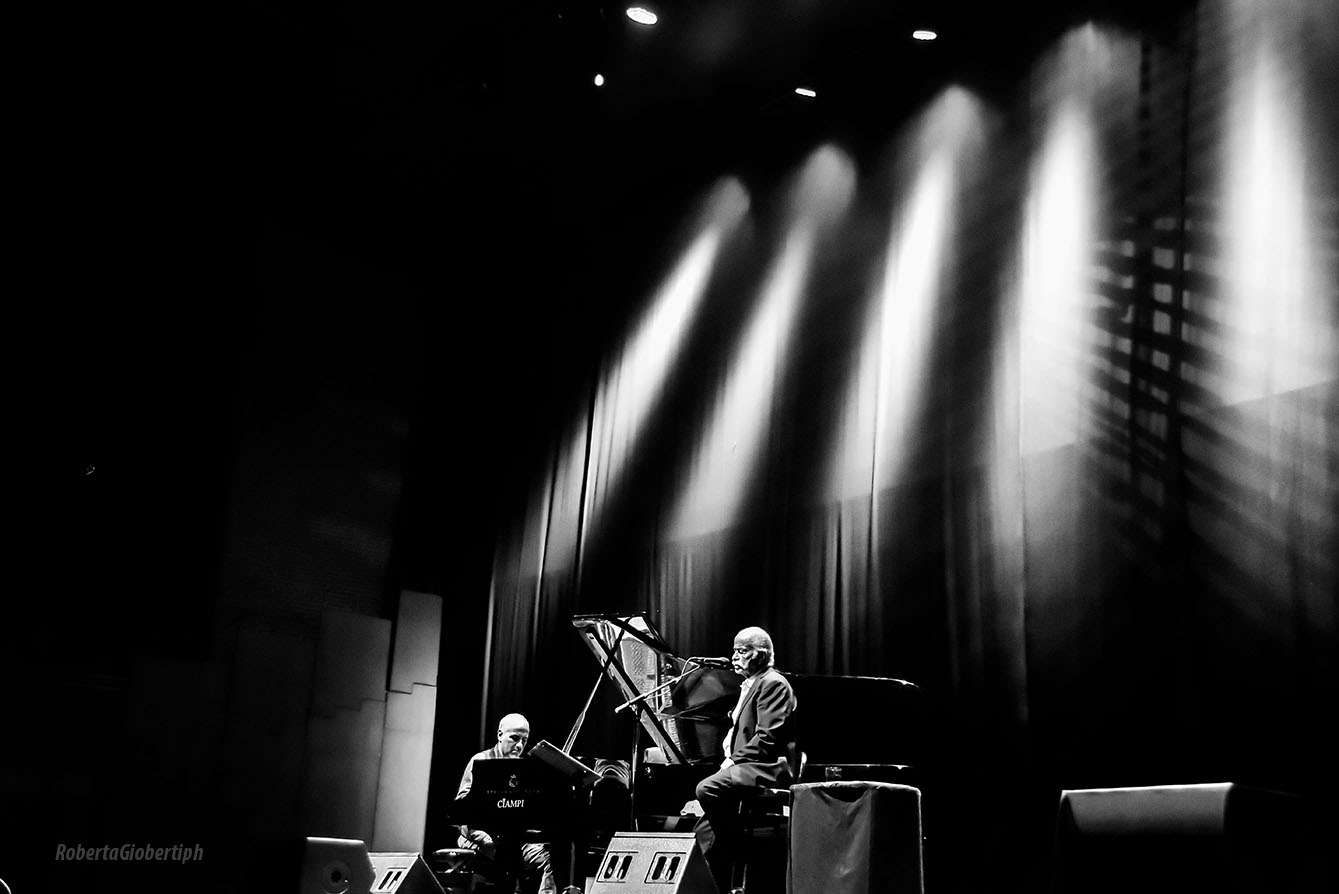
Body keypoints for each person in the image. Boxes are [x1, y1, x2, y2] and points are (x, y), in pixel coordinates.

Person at [692, 627, 799, 893]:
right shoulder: (751, 684)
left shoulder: (773, 683)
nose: (734, 657)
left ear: (761, 655)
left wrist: (731, 763)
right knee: (702, 833)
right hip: (747, 765)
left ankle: (737, 847)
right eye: (735, 650)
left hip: (770, 768)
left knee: (707, 788)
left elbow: (767, 739)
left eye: (742, 651)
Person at [455, 713, 562, 894]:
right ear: (499, 734)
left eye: (524, 740)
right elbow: (461, 811)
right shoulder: (480, 761)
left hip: (514, 838)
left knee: (548, 857)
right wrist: (484, 837)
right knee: (507, 854)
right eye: (514, 738)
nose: (519, 745)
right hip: (480, 835)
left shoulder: (525, 769)